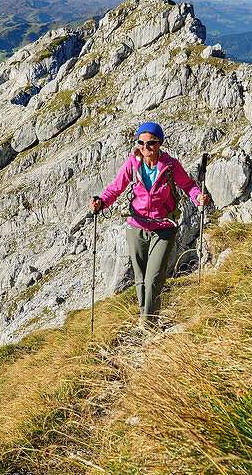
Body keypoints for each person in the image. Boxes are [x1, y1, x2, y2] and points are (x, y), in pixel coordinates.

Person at [88, 121, 208, 329]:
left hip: (164, 227)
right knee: (140, 279)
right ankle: (147, 319)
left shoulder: (171, 165)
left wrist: (198, 198)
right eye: (142, 143)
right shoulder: (132, 164)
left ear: (159, 143)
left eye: (151, 143)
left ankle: (148, 325)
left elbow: (188, 185)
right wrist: (101, 203)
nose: (146, 147)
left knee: (153, 278)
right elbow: (115, 188)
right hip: (137, 227)